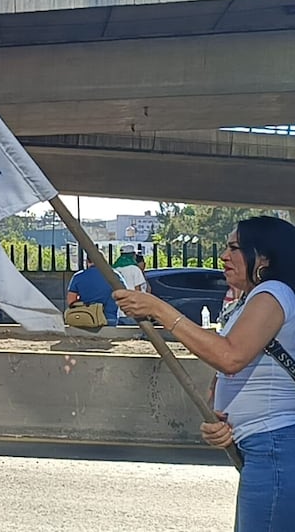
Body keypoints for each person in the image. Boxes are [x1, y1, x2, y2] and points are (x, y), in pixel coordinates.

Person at [114, 216, 295, 530]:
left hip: (274, 445)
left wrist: (158, 309)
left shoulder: (273, 293)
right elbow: (233, 373)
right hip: (263, 445)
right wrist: (221, 421)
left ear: (264, 258)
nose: (224, 256)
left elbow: (230, 356)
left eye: (235, 248)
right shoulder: (253, 300)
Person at [67, 255, 124, 326]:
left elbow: (71, 301)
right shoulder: (114, 275)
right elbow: (124, 295)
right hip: (109, 318)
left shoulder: (78, 277)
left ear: (87, 262)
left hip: (86, 319)